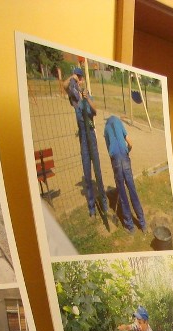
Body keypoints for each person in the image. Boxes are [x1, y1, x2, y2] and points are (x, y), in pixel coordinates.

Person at [62, 67, 108, 218]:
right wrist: (72, 77)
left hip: (92, 138)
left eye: (81, 78)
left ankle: (104, 203)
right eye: (78, 78)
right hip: (83, 138)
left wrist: (87, 98)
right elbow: (64, 86)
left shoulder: (88, 98)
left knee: (98, 172)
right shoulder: (75, 100)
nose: (79, 80)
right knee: (87, 175)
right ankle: (91, 208)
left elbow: (95, 110)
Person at [104, 114, 146, 232]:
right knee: (132, 190)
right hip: (124, 156)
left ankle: (130, 226)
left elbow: (109, 150)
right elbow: (130, 143)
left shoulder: (106, 129)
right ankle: (142, 223)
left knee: (122, 193)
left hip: (116, 160)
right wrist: (127, 152)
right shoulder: (119, 123)